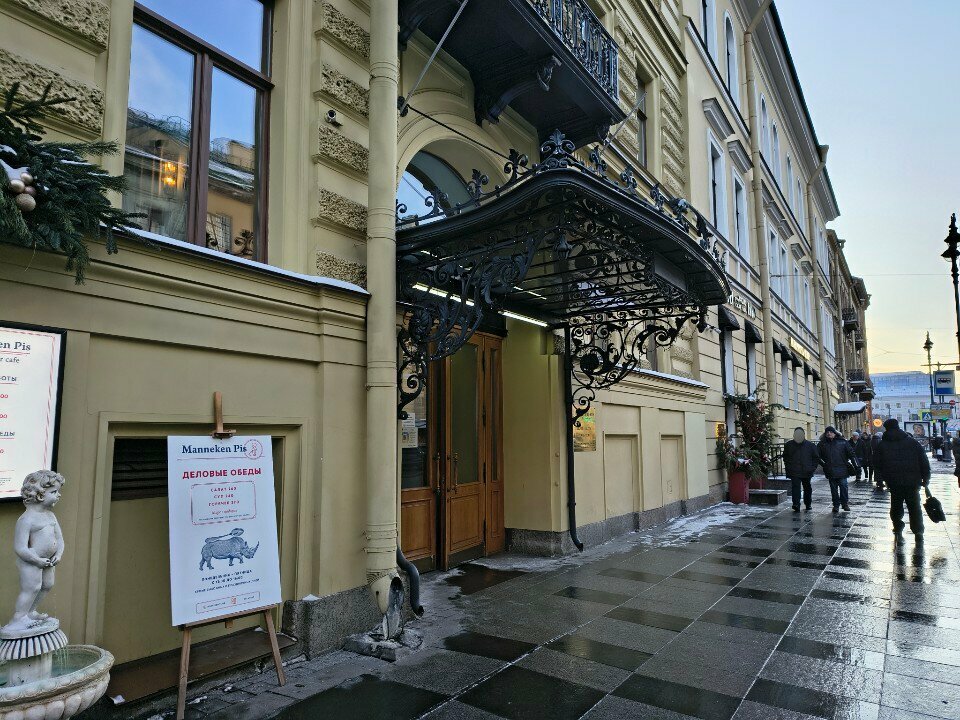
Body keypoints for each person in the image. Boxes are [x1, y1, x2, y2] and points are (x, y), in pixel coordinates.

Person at [873, 418, 930, 544]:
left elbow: (876, 464)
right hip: (913, 481)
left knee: (896, 504)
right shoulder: (912, 442)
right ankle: (918, 530)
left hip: (893, 481)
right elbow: (923, 461)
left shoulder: (882, 444)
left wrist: (882, 479)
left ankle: (898, 526)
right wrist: (926, 478)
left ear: (886, 428)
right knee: (914, 506)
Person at [818, 426, 856, 512]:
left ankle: (845, 504)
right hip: (830, 470)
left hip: (842, 469)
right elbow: (817, 456)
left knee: (844, 487)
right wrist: (824, 464)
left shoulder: (843, 442)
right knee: (834, 489)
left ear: (835, 433)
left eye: (831, 432)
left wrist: (856, 466)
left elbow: (851, 453)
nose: (829, 433)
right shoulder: (822, 444)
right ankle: (836, 505)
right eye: (827, 432)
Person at [784, 427, 820, 512]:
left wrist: (812, 468)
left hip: (807, 471)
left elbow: (816, 458)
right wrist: (788, 466)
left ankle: (808, 504)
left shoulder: (810, 445)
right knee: (795, 487)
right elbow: (785, 457)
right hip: (794, 470)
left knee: (807, 487)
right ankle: (796, 504)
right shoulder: (789, 445)